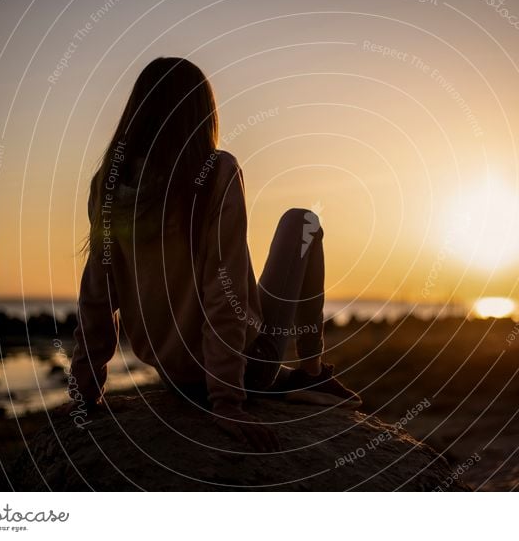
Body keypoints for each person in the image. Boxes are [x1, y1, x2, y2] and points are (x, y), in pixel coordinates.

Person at [67, 57, 361, 452]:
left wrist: (85, 389)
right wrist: (226, 402)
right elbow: (225, 296)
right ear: (200, 113)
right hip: (244, 370)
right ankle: (310, 371)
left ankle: (290, 379)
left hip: (175, 379)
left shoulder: (108, 184)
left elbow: (97, 296)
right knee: (303, 221)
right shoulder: (215, 173)